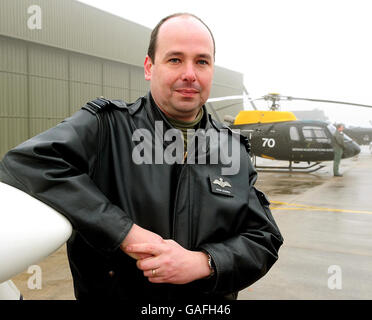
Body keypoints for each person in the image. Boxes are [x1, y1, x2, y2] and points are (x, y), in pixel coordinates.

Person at [0, 13, 283, 300]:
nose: (189, 73)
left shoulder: (233, 149)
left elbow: (264, 238)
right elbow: (27, 162)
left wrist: (206, 262)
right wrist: (125, 232)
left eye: (201, 61)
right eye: (175, 59)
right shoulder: (107, 127)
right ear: (149, 67)